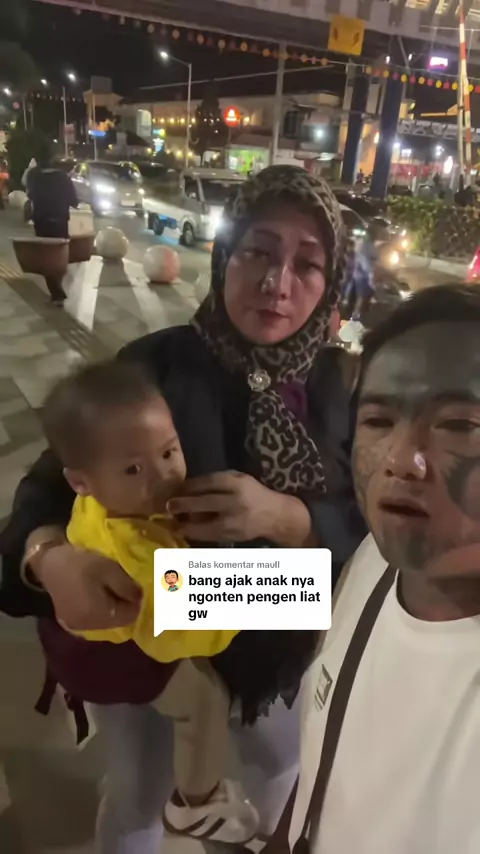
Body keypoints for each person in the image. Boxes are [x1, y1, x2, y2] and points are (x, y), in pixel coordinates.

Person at [0, 165, 366, 854]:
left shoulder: (343, 388)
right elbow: (46, 490)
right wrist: (50, 558)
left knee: (281, 766)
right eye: (258, 251)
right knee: (139, 792)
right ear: (226, 255)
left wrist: (288, 519)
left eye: (308, 264)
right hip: (150, 636)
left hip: (280, 643)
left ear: (331, 282)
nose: (277, 282)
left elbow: (372, 531)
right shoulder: (155, 367)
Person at [287, 284, 480, 854]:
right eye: (378, 420)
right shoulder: (374, 560)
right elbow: (285, 591)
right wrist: (155, 593)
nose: (400, 460)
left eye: (460, 425)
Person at [40, 359, 256, 844]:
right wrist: (243, 606)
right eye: (134, 468)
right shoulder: (140, 556)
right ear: (80, 482)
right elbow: (181, 635)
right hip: (128, 653)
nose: (163, 475)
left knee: (133, 781)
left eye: (170, 451)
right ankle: (197, 805)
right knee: (204, 703)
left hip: (110, 639)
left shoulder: (112, 504)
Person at [27, 154, 77, 304]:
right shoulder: (64, 179)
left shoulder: (36, 179)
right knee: (59, 257)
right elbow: (74, 201)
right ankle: (57, 290)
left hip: (42, 223)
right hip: (60, 222)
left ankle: (56, 292)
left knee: (46, 258)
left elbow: (30, 196)